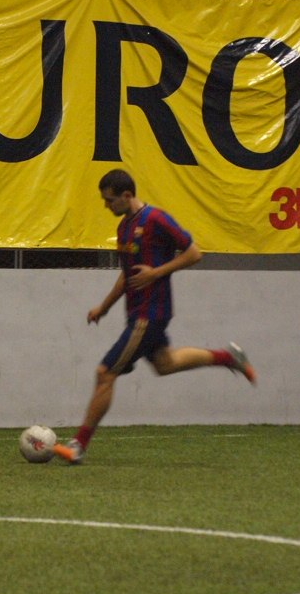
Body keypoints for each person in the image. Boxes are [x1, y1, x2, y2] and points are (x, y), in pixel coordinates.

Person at [53, 168, 256, 464]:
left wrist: (157, 273)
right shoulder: (124, 228)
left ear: (126, 195)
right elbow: (128, 275)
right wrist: (104, 307)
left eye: (109, 200)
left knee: (105, 373)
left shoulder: (157, 219)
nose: (106, 206)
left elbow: (194, 253)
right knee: (165, 363)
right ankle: (228, 357)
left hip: (150, 314)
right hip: (137, 313)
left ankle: (78, 445)